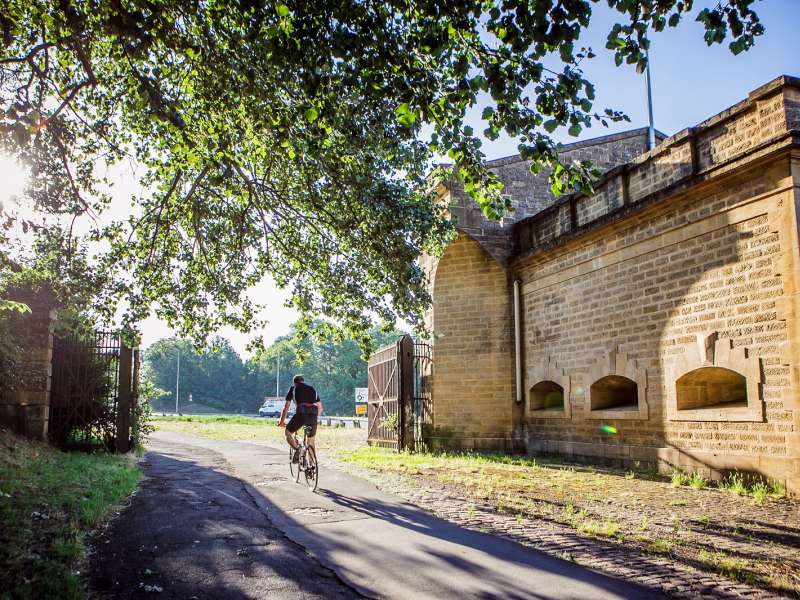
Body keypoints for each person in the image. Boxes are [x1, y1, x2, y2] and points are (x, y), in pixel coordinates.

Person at [278, 374, 323, 463]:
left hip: (301, 414)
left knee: (288, 432)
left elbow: (286, 407)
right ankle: (312, 466)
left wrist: (281, 421)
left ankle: (297, 449)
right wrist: (313, 419)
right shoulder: (312, 389)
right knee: (311, 442)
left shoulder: (293, 388)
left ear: (295, 382)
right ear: (303, 381)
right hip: (313, 415)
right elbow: (320, 408)